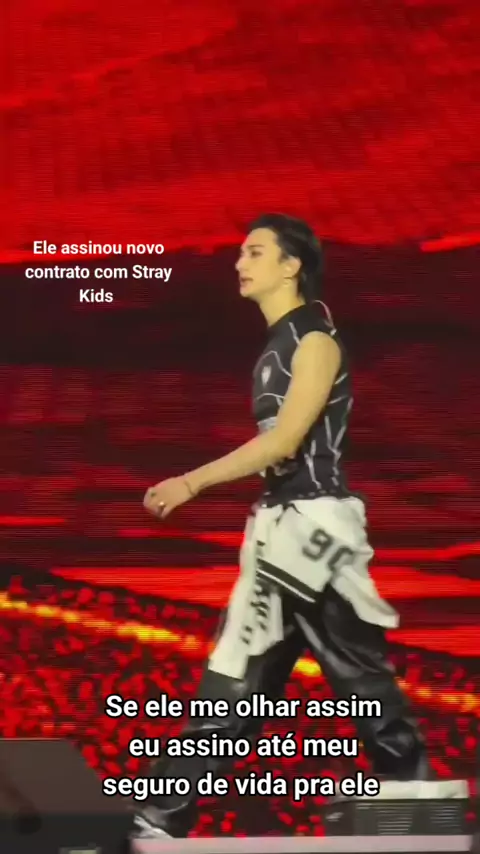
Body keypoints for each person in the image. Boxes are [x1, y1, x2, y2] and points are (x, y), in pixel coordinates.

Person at [132, 213, 429, 841]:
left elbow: (286, 441)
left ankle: (420, 813)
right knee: (245, 680)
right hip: (283, 530)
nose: (240, 263)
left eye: (255, 252)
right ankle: (161, 816)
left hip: (315, 534)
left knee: (350, 682)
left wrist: (191, 482)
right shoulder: (277, 346)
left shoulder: (314, 342)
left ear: (292, 266)